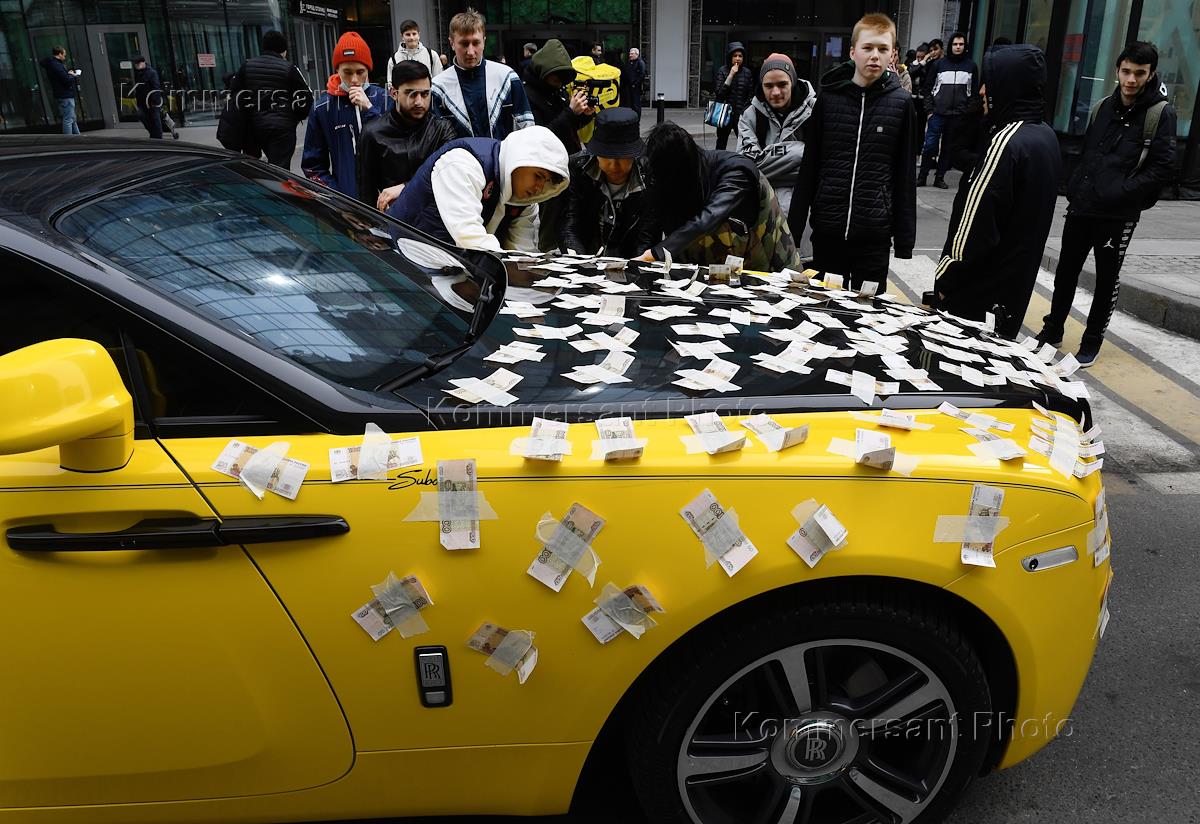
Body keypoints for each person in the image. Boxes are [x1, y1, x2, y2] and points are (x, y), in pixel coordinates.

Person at [1037, 41, 1176, 366]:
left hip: (1117, 214)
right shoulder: (1103, 107)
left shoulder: (1159, 114)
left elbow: (1162, 169)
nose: (1131, 79)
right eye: (1126, 71)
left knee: (1106, 280)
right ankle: (1053, 328)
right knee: (1065, 272)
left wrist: (1121, 192)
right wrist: (1075, 187)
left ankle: (1092, 341)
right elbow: (1088, 153)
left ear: (1150, 74)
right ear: (1117, 70)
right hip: (1083, 207)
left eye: (1139, 73)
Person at [930, 44, 1061, 339]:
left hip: (977, 296)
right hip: (1011, 295)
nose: (981, 92)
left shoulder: (1006, 143)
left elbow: (975, 227)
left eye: (988, 83)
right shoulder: (1044, 135)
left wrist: (946, 279)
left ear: (1008, 86)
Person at [788, 13, 916, 291]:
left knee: (868, 309)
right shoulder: (829, 98)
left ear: (892, 55)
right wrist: (794, 229)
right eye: (867, 48)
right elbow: (810, 167)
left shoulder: (902, 103)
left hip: (874, 236)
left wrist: (904, 240)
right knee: (824, 306)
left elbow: (905, 174)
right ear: (852, 52)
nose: (875, 56)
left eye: (882, 49)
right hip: (828, 230)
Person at [640, 122, 801, 272]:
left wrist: (657, 252)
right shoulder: (663, 177)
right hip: (713, 269)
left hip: (768, 260)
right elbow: (653, 220)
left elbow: (709, 217)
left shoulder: (736, 171)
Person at [386, 125, 569, 253]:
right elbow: (469, 237)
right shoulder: (463, 163)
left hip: (448, 270)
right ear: (519, 159)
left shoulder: (525, 202)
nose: (539, 188)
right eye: (538, 176)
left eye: (547, 182)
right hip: (401, 261)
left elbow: (521, 253)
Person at [522, 38, 597, 250]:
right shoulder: (528, 96)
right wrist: (571, 112)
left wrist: (584, 115)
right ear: (544, 71)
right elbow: (541, 135)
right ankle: (548, 255)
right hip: (546, 168)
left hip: (568, 164)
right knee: (551, 219)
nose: (560, 81)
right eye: (557, 76)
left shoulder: (557, 92)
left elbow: (568, 126)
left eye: (564, 77)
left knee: (570, 215)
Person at [359, 61, 458, 211]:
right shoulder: (372, 133)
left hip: (437, 218)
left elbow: (450, 178)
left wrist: (405, 188)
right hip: (392, 219)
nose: (419, 102)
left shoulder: (442, 130)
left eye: (425, 94)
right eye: (411, 94)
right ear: (393, 93)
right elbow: (366, 194)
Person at [561, 107, 660, 257]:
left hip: (633, 259)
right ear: (596, 153)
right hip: (586, 257)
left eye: (622, 157)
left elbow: (648, 235)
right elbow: (569, 222)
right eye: (606, 156)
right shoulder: (578, 168)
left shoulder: (650, 174)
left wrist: (636, 264)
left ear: (634, 154)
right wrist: (577, 258)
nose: (614, 166)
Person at [302, 32, 391, 197]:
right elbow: (312, 166)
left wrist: (369, 109)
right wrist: (337, 196)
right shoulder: (322, 108)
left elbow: (396, 146)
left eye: (360, 71)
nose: (354, 79)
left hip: (387, 199)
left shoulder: (385, 99)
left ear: (368, 69)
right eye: (347, 72)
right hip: (346, 201)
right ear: (337, 70)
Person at [432, 7, 533, 140]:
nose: (471, 51)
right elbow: (437, 138)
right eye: (464, 44)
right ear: (452, 43)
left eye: (476, 43)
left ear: (484, 41)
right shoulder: (438, 87)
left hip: (505, 153)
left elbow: (527, 129)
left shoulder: (507, 77)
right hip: (461, 154)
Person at [737, 53, 816, 214]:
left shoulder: (814, 110)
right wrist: (800, 151)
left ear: (793, 82)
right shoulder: (749, 114)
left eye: (782, 84)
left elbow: (822, 165)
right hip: (760, 206)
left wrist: (769, 170)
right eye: (768, 86)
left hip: (799, 208)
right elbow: (747, 168)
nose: (775, 92)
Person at [236, 31, 313, 169]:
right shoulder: (289, 68)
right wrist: (296, 117)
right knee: (280, 169)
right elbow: (306, 97)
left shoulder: (247, 66)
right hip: (282, 127)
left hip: (255, 126)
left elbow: (236, 93)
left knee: (256, 168)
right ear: (283, 50)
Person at [920, 32, 978, 189]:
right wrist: (929, 110)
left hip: (957, 115)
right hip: (937, 113)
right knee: (930, 146)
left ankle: (940, 177)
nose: (958, 47)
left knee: (947, 148)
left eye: (961, 44)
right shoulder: (939, 65)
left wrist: (966, 112)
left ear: (965, 46)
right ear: (950, 45)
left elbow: (973, 92)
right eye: (955, 44)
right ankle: (922, 176)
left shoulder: (971, 66)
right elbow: (927, 88)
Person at [713, 42, 755, 150]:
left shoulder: (747, 73)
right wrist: (731, 75)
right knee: (721, 142)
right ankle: (719, 160)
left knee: (744, 142)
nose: (737, 58)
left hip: (740, 114)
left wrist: (744, 111)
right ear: (730, 57)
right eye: (735, 56)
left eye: (740, 56)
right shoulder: (722, 71)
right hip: (725, 113)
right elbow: (719, 94)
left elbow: (750, 94)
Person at [386, 19, 443, 89]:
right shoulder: (394, 59)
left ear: (419, 35)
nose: (411, 38)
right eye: (408, 34)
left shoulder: (432, 55)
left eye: (414, 34)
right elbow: (391, 86)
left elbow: (439, 80)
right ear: (402, 36)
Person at [41, 46, 82, 135]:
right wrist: (73, 75)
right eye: (64, 55)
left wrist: (68, 74)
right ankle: (68, 140)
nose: (64, 57)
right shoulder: (57, 65)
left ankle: (78, 137)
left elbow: (61, 77)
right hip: (65, 94)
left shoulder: (52, 64)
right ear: (59, 54)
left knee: (72, 118)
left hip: (62, 94)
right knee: (69, 119)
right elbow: (66, 80)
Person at [131, 56, 164, 139]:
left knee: (155, 118)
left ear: (143, 62)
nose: (136, 66)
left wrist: (154, 100)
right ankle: (153, 133)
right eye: (135, 65)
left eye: (138, 64)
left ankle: (158, 136)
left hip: (151, 100)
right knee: (142, 116)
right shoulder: (138, 73)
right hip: (142, 100)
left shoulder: (152, 72)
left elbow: (156, 86)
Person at [621, 47, 647, 118]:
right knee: (631, 104)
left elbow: (642, 75)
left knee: (636, 104)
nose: (630, 55)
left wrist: (635, 84)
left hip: (636, 87)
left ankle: (637, 118)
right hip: (629, 86)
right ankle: (632, 118)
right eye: (630, 53)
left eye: (632, 54)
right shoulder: (629, 62)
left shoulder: (640, 62)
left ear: (637, 54)